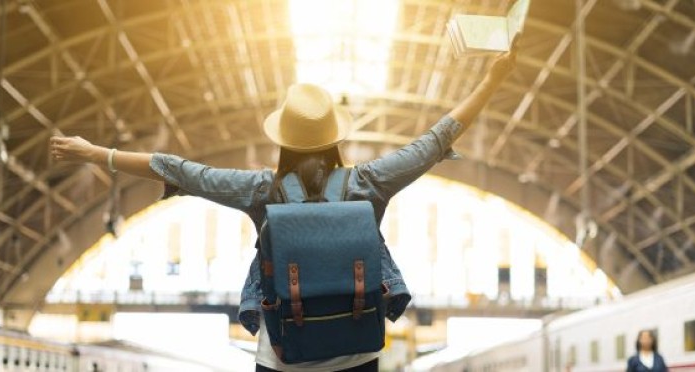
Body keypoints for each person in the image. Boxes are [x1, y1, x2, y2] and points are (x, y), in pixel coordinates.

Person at [50, 39, 518, 372]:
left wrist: (97, 153)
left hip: (282, 356)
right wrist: (494, 79)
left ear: (283, 141)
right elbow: (437, 139)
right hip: (357, 352)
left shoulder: (262, 191)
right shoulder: (368, 183)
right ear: (336, 137)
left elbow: (178, 169)